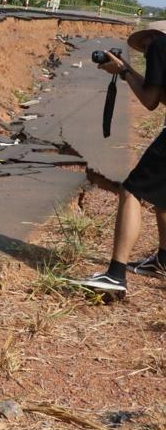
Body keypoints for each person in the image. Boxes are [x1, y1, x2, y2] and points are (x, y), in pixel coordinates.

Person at [73, 21, 166, 295]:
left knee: (130, 190)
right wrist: (126, 71)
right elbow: (161, 97)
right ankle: (163, 260)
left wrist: (123, 71)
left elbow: (149, 101)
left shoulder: (160, 44)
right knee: (162, 196)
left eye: (146, 45)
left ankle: (115, 275)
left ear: (154, 36)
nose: (147, 50)